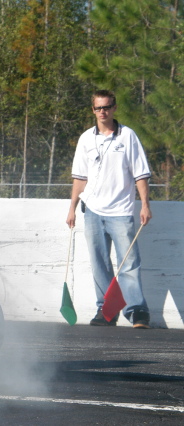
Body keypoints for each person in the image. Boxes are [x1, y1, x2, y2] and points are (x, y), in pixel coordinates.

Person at [66, 89, 152, 329]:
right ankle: (107, 310)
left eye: (106, 107)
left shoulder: (128, 136)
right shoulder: (86, 139)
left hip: (121, 212)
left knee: (129, 263)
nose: (102, 111)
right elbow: (79, 178)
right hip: (92, 210)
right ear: (93, 110)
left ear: (114, 108)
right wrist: (72, 208)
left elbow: (141, 174)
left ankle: (137, 311)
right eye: (98, 108)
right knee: (99, 263)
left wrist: (145, 204)